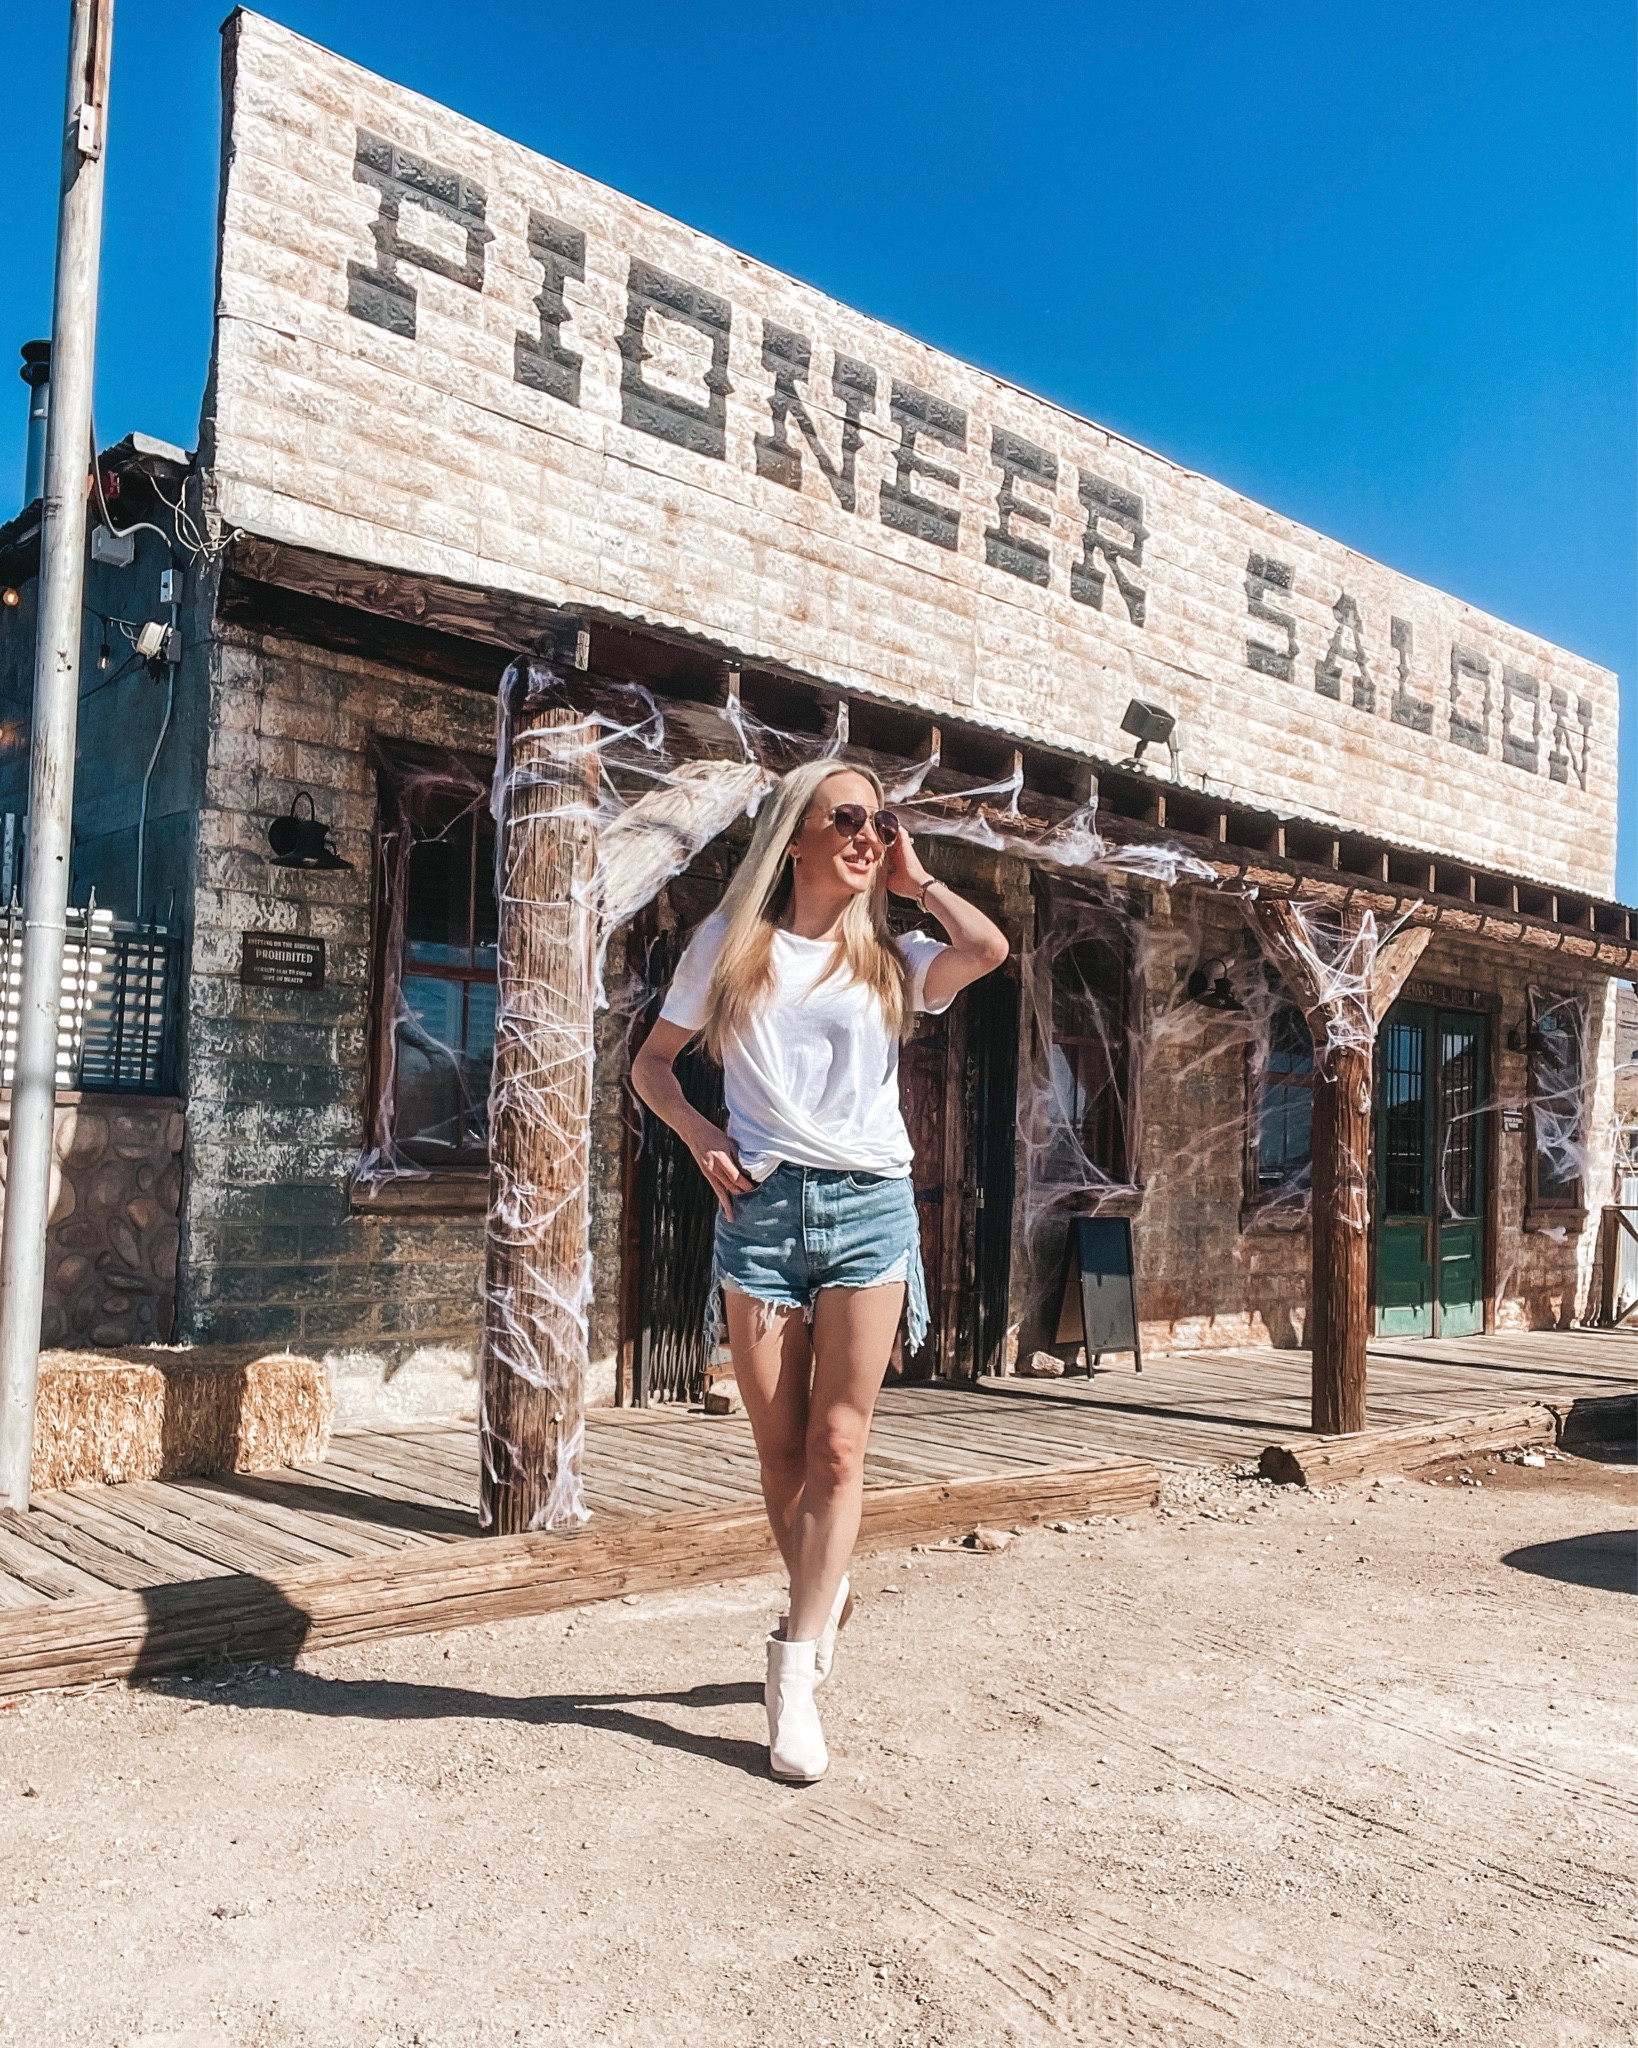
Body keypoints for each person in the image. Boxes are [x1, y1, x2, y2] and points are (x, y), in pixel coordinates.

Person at [631, 759, 1009, 1781]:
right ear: (792, 834)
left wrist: (916, 875)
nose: (866, 835)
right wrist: (703, 1134)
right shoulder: (728, 943)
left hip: (870, 1211)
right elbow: (651, 1065)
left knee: (840, 1449)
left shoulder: (891, 955)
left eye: (879, 821)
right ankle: (820, 1585)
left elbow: (990, 946)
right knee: (782, 1452)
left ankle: (793, 1670)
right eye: (847, 818)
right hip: (759, 1214)